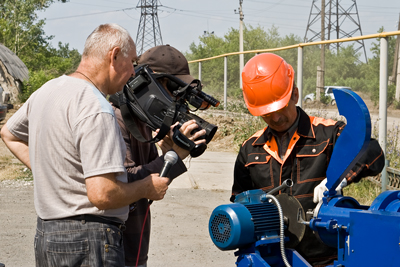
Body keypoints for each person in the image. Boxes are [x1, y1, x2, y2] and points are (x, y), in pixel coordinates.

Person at [0, 24, 171, 267]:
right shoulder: (96, 107)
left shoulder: (47, 90)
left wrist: (53, 173)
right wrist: (146, 187)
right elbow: (103, 194)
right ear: (113, 56)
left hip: (47, 235)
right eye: (131, 61)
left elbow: (9, 133)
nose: (134, 72)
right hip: (90, 240)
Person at [230, 53, 385, 267]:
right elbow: (240, 202)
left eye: (280, 108)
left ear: (294, 94)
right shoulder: (250, 150)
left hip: (324, 259)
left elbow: (373, 153)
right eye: (267, 113)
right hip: (269, 259)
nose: (275, 118)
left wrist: (339, 179)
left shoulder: (328, 134)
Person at [111, 44, 207, 267]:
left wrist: (168, 153)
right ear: (149, 84)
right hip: (115, 249)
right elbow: (123, 181)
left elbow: (152, 187)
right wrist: (172, 157)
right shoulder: (115, 119)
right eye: (172, 88)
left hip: (135, 246)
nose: (176, 97)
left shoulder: (145, 122)